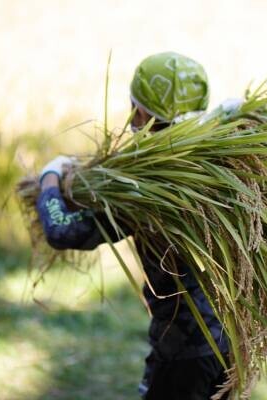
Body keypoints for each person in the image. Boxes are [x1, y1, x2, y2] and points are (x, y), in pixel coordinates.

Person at [36, 52, 233, 400]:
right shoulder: (221, 157)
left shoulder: (144, 185)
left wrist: (50, 178)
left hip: (184, 351)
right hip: (230, 341)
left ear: (140, 112)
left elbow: (62, 230)